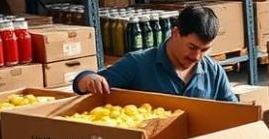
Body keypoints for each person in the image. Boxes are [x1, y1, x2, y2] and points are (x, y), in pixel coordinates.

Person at [73, 5, 238, 101]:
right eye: (192, 47)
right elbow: (83, 83)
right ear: (176, 33)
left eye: (204, 50)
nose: (197, 57)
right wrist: (89, 79)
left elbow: (232, 112)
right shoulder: (138, 64)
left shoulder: (214, 71)